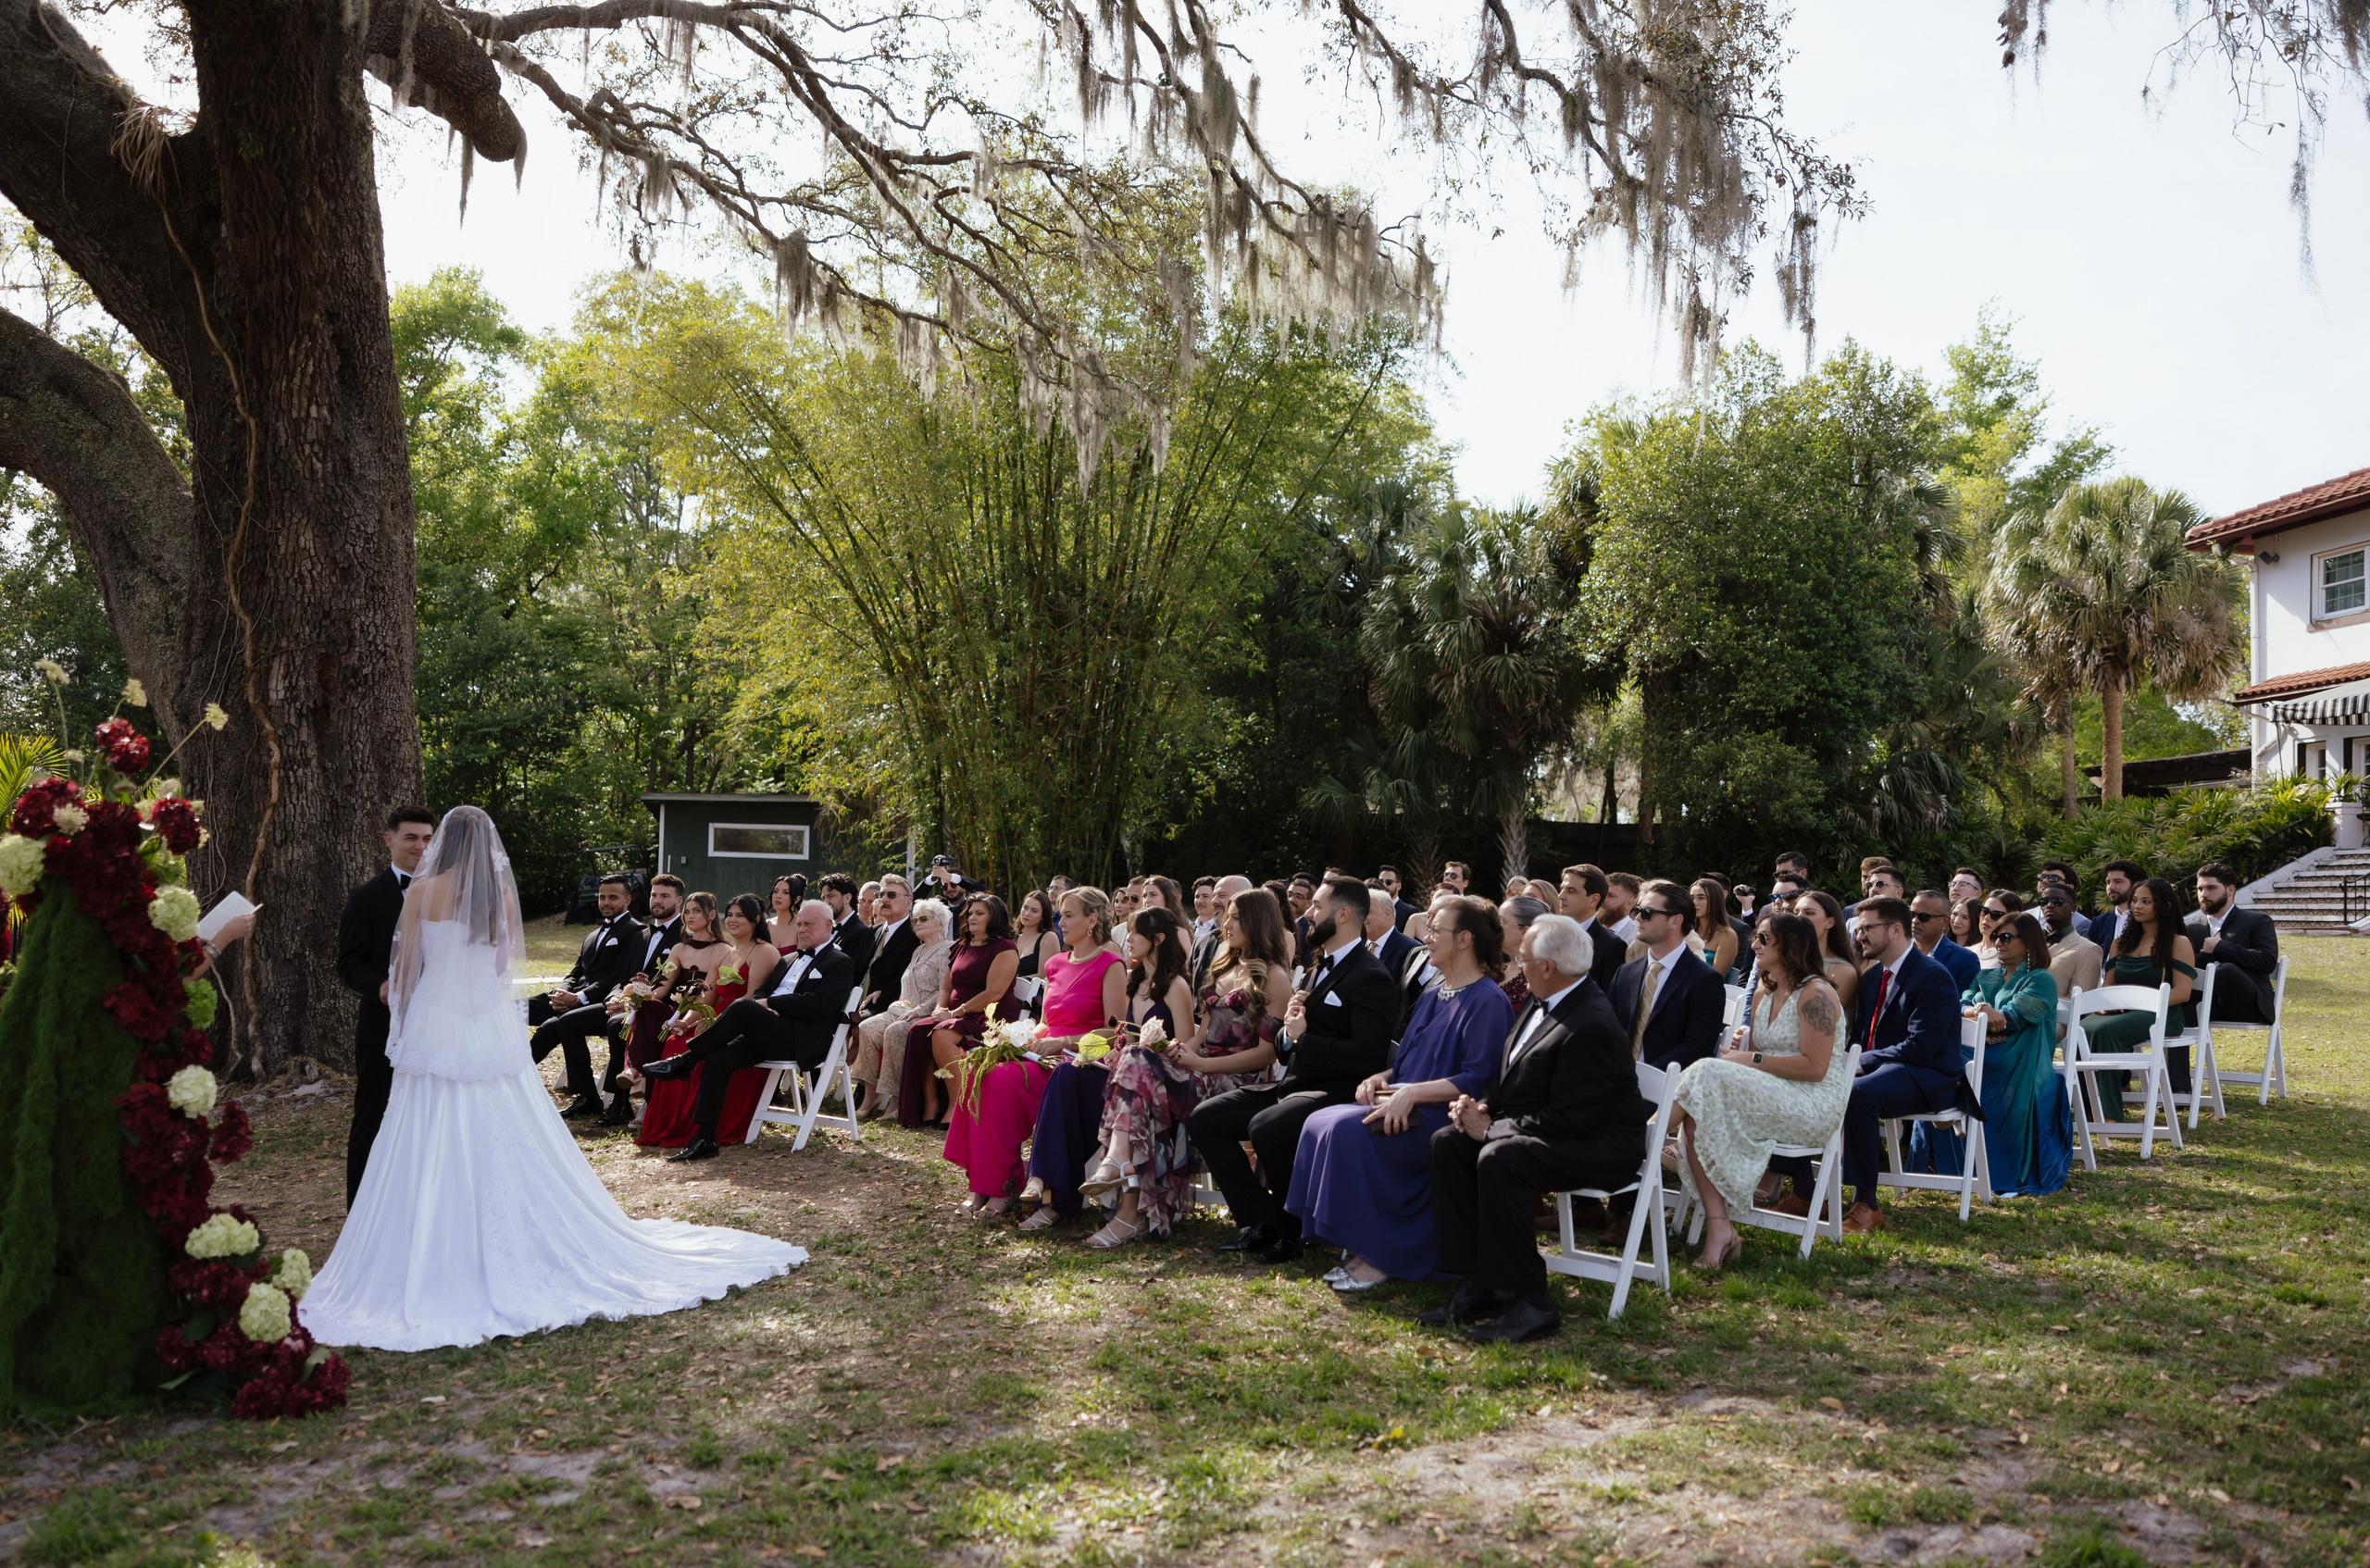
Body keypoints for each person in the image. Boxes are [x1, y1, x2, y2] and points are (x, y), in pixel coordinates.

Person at [303, 807, 802, 1350]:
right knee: (498, 1120)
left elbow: (406, 971)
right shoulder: (499, 896)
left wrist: (413, 1013)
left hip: (434, 1022)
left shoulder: (422, 894)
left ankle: (421, 1229)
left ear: (444, 843)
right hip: (482, 1025)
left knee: (426, 1117)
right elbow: (498, 971)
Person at [1422, 914, 1651, 1343]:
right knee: (1449, 1142)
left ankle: (1533, 1302)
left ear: (1549, 966)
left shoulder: (1591, 1024)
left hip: (1600, 1146)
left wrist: (1491, 1130)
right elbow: (1513, 1076)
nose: (1515, 965)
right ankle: (1481, 1280)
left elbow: (1569, 1119)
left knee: (1500, 1156)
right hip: (1556, 1130)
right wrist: (1481, 1107)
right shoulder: (1543, 994)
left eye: (1523, 959)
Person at [1289, 895, 1514, 1290]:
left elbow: (1478, 1079)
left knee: (1345, 1131)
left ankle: (1381, 1254)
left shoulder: (1488, 1000)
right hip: (1401, 1100)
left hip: (1444, 1115)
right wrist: (1383, 1077)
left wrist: (1410, 1095)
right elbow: (1410, 1060)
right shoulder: (1434, 992)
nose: (1425, 938)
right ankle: (1357, 1237)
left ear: (1464, 940)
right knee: (1318, 1121)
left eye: (1434, 931)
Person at [1188, 876, 1398, 1264]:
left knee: (1268, 1127)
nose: (1308, 916)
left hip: (1336, 1090)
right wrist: (1289, 1030)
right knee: (1205, 1118)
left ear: (1345, 914)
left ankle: (1293, 1231)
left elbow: (1367, 1057)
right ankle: (1261, 1222)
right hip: (1294, 1086)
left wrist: (1304, 1038)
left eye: (1317, 907)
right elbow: (1286, 1048)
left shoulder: (1371, 976)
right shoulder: (1320, 968)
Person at [1670, 913, 1850, 1270]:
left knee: (1706, 1070)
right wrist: (1747, 1047)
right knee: (1695, 1119)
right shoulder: (1766, 991)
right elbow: (1760, 1051)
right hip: (1771, 1093)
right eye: (1756, 937)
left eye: (1764, 939)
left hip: (1811, 1103)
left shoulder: (1818, 994)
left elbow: (1815, 1069)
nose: (1754, 945)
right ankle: (1720, 1230)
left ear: (1790, 945)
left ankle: (1648, 1133)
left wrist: (1751, 1058)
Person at [639, 899, 855, 1161]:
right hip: (766, 1031)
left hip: (798, 1037)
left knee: (743, 1007)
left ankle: (684, 1061)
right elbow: (763, 990)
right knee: (717, 1059)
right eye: (800, 924)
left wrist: (771, 1004)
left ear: (828, 926)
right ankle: (705, 1138)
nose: (802, 929)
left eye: (809, 924)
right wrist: (765, 1003)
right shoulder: (787, 959)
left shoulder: (839, 961)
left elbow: (821, 1004)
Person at [1833, 896, 1972, 1234]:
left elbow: (1921, 1048)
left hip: (1930, 1076)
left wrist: (1858, 1063)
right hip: (1888, 1070)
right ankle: (1807, 1190)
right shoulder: (1871, 977)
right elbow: (1861, 1035)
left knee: (1855, 1093)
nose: (1859, 936)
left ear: (1895, 929)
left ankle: (1867, 1204)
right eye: (1858, 928)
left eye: (1868, 928)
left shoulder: (1932, 976)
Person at [1074, 906, 1207, 1246]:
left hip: (1177, 1078)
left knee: (1135, 1074)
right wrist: (1119, 1051)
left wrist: (1156, 1049)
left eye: (1135, 933)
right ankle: (1128, 1213)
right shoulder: (1134, 984)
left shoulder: (1175, 985)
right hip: (1141, 1084)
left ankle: (1119, 1174)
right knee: (1131, 1085)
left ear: (1158, 939)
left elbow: (1187, 1041)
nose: (1127, 938)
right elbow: (1131, 1043)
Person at [335, 805, 437, 1206]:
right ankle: (359, 1211)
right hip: (384, 1027)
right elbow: (348, 963)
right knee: (373, 1118)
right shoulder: (367, 896)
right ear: (389, 839)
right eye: (411, 837)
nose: (420, 846)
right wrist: (380, 987)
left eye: (428, 838)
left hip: (439, 1029)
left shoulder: (452, 895)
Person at [1013, 888, 1131, 1226]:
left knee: (1065, 1075)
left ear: (1091, 920)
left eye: (1068, 915)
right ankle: (993, 1185)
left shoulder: (1111, 964)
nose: (1060, 922)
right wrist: (1018, 1039)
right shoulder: (1054, 964)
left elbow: (1115, 1032)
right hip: (1050, 1056)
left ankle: (1042, 1184)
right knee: (996, 1071)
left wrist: (1064, 1042)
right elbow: (1045, 1025)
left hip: (1089, 1066)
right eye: (1060, 915)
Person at [633, 894, 783, 1150]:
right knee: (674, 1042)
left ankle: (696, 1124)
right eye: (731, 914)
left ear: (756, 920)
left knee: (698, 1050)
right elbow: (707, 998)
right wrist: (687, 1021)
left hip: (740, 1028)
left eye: (740, 915)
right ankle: (670, 1123)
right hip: (714, 1020)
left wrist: (714, 1025)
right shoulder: (727, 953)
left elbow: (751, 1000)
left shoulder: (764, 951)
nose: (733, 920)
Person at [1965, 913, 2069, 1197]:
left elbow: (2011, 1020)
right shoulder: (1985, 976)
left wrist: (1982, 1016)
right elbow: (1958, 1005)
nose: (1999, 942)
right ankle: (1953, 1165)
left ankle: (1995, 1170)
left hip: (2021, 1060)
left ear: (2029, 942)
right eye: (1996, 936)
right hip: (1983, 1050)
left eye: (2007, 936)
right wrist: (1980, 1010)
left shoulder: (2041, 980)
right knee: (1943, 1064)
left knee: (1959, 1065)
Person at [528, 874, 648, 1121]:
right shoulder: (592, 935)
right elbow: (575, 972)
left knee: (554, 1027)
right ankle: (504, 1073)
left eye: (612, 897)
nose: (605, 902)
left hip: (600, 1003)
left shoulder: (636, 931)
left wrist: (579, 997)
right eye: (602, 896)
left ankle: (586, 1097)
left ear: (627, 900)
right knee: (516, 1009)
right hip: (571, 999)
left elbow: (618, 976)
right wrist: (562, 991)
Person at [609, 890, 730, 1127]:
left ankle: (639, 1080)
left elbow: (709, 999)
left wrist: (682, 1019)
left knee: (653, 1022)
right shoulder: (679, 949)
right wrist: (638, 993)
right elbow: (661, 990)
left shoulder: (723, 950)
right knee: (648, 1005)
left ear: (712, 915)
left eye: (697, 911)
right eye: (687, 912)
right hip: (670, 1009)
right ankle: (636, 1074)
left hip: (698, 1015)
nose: (689, 916)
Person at [2079, 876, 2197, 1118]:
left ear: (2164, 906)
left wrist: (2138, 1002)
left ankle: (2109, 1114)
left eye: (2146, 901)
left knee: (2104, 1032)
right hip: (2120, 1013)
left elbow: (2182, 993)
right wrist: (2103, 1008)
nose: (2137, 907)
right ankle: (2085, 1110)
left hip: (2162, 1015)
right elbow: (2108, 984)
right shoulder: (2121, 943)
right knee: (2079, 1029)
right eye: (2134, 901)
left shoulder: (2179, 942)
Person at [904, 895, 1023, 1126]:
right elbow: (947, 986)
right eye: (970, 913)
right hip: (957, 1015)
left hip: (991, 1017)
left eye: (980, 913)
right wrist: (940, 1008)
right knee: (918, 1031)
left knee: (941, 1034)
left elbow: (994, 993)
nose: (972, 917)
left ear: (994, 917)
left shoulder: (1005, 948)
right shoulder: (961, 945)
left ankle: (958, 1104)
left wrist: (955, 1013)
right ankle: (929, 1104)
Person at [849, 897, 954, 1119]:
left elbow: (944, 990)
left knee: (895, 1032)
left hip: (926, 1014)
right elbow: (906, 984)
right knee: (866, 1028)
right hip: (902, 1009)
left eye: (923, 919)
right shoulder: (918, 950)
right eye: (915, 919)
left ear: (940, 922)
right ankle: (869, 1096)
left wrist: (919, 1010)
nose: (917, 923)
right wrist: (886, 995)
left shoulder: (947, 950)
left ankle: (896, 1101)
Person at [1608, 880, 1723, 1072]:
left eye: (1647, 913)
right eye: (1637, 911)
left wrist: (1641, 1074)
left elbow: (1698, 1047)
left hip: (1666, 1087)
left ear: (1675, 921)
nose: (1637, 918)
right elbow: (1608, 1030)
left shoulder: (1704, 980)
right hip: (1615, 1080)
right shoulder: (1626, 973)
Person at [2188, 862, 2280, 1024]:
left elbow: (2267, 961)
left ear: (2230, 890)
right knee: (2176, 1020)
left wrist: (2221, 947)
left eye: (2211, 888)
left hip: (2249, 1006)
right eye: (2200, 889)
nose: (2203, 894)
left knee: (2227, 970)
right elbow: (2186, 966)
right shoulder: (2191, 929)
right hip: (2206, 1006)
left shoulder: (2257, 921)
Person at [1555, 863, 1627, 991]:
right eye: (1562, 889)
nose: (1561, 896)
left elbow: (1607, 1001)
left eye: (1571, 891)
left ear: (1594, 900)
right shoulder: (1548, 935)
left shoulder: (1611, 946)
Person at [859, 875, 919, 1016]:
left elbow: (904, 979)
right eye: (881, 895)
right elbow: (858, 970)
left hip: (885, 1008)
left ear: (908, 902)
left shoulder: (915, 935)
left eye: (891, 895)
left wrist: (882, 996)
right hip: (855, 1002)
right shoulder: (872, 931)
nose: (884, 899)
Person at [1790, 890, 1861, 1012]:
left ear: (1830, 922)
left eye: (1809, 913)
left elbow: (1821, 1018)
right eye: (1796, 913)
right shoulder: (1787, 960)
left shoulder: (1844, 971)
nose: (1799, 918)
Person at [2039, 884, 2103, 1006]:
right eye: (2044, 901)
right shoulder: (2028, 942)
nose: (2050, 905)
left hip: (2052, 1021)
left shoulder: (2089, 950)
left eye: (2058, 901)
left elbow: (2080, 1002)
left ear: (2073, 908)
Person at [1909, 889, 1980, 993]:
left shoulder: (1965, 960)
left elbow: (1963, 1004)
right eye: (1912, 914)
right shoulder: (1897, 951)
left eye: (1923, 917)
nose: (1915, 921)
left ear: (1944, 922)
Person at [1190, 875, 1254, 991]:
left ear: (1245, 898)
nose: (1214, 901)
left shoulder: (1259, 944)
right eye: (1213, 896)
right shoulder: (1201, 942)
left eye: (1222, 895)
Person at [817, 872, 876, 977]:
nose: (825, 903)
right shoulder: (821, 929)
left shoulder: (861, 932)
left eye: (831, 896)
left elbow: (848, 973)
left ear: (847, 898)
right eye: (823, 898)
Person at [1496, 896, 1550, 1007]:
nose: (1495, 926)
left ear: (1525, 932)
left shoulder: (1537, 978)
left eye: (1501, 921)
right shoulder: (1498, 969)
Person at [1014, 890, 1064, 994]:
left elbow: (1043, 975)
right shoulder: (1013, 938)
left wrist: (1010, 983)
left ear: (1043, 916)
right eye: (1025, 907)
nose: (1027, 913)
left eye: (1034, 911)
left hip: (1032, 1000)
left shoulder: (1048, 937)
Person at [1688, 878, 1740, 980]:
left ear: (1715, 901)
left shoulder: (1727, 935)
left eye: (1701, 898)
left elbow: (1714, 979)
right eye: (1692, 898)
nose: (1694, 902)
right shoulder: (1687, 929)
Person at [2097, 859, 2146, 947]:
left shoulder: (2149, 919)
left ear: (2136, 885)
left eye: (2118, 881)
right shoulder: (2100, 922)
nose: (2110, 887)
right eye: (2108, 882)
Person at [766, 875, 805, 950]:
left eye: (786, 892)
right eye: (775, 891)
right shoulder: (767, 925)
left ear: (796, 899)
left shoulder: (801, 927)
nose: (778, 896)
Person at [1378, 864, 1420, 931]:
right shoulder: (1371, 909)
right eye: (1381, 881)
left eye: (1389, 882)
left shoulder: (1410, 912)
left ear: (1399, 886)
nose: (1383, 885)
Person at [1602, 873, 1640, 944]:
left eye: (1611, 896)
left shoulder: (1636, 938)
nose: (1604, 899)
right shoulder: (1588, 928)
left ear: (1628, 903)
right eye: (1603, 893)